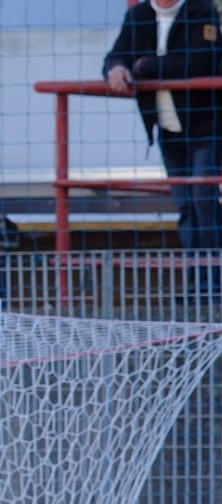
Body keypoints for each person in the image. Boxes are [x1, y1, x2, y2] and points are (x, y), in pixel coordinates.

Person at [104, 0, 222, 297]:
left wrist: (143, 66)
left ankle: (215, 283)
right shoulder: (139, 16)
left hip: (206, 128)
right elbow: (117, 55)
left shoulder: (201, 10)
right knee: (186, 208)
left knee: (204, 202)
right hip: (168, 131)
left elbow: (199, 62)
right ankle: (197, 286)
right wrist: (117, 69)